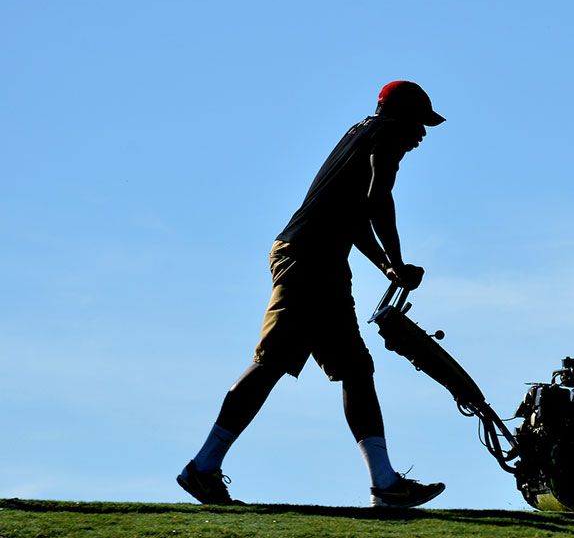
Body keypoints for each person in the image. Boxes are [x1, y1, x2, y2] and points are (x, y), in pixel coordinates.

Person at [178, 81, 449, 508]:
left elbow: (354, 218)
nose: (423, 133)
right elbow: (379, 198)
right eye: (421, 122)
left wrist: (386, 266)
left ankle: (385, 484)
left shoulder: (360, 133)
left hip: (322, 262)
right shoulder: (387, 133)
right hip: (307, 258)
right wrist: (397, 256)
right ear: (402, 116)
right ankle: (202, 468)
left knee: (356, 370)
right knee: (271, 363)